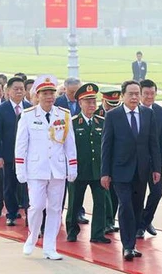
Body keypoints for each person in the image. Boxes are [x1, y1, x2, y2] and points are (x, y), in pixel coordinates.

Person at [15, 74, 78, 260]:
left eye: (51, 93)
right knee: (36, 206)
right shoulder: (27, 116)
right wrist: (21, 169)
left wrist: (72, 167)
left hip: (57, 169)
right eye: (45, 93)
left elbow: (69, 144)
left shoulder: (64, 115)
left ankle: (50, 246)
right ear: (37, 95)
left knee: (55, 209)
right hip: (36, 168)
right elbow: (21, 145)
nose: (49, 96)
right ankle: (33, 236)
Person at [100, 80, 161, 261]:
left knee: (136, 208)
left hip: (142, 171)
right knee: (125, 206)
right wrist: (105, 172)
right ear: (123, 96)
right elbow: (106, 146)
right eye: (131, 94)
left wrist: (156, 168)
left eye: (137, 94)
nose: (134, 97)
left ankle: (132, 245)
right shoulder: (113, 116)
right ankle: (127, 246)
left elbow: (153, 144)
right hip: (120, 171)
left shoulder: (148, 115)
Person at [66, 83, 110, 244]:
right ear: (80, 103)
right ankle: (72, 231)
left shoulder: (102, 122)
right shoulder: (72, 122)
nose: (91, 105)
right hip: (79, 170)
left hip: (98, 170)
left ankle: (98, 233)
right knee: (74, 203)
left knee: (100, 203)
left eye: (93, 102)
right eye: (87, 102)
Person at [0, 77, 32, 225]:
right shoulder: (1, 109)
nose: (20, 91)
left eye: (22, 88)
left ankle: (29, 213)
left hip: (28, 155)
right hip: (9, 155)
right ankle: (12, 213)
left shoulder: (30, 107)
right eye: (16, 88)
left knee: (28, 186)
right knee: (9, 185)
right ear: (8, 91)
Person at [136, 79, 162, 239]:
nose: (149, 97)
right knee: (138, 194)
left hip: (155, 161)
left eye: (152, 93)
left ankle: (145, 220)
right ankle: (139, 224)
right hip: (137, 162)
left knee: (157, 191)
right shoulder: (133, 111)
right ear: (140, 94)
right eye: (146, 94)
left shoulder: (159, 111)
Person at [54, 77, 87, 224]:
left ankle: (78, 212)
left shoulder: (84, 102)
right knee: (60, 188)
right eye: (72, 92)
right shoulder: (57, 103)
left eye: (77, 91)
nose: (75, 94)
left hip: (79, 151)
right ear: (65, 89)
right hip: (61, 151)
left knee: (78, 186)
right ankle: (57, 212)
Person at [94, 87, 122, 234]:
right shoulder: (96, 114)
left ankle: (110, 221)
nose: (112, 108)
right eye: (110, 104)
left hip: (115, 160)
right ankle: (103, 222)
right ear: (103, 101)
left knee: (115, 194)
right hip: (100, 161)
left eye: (115, 104)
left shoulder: (118, 115)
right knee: (103, 196)